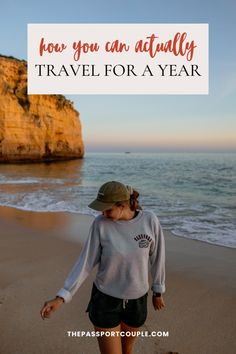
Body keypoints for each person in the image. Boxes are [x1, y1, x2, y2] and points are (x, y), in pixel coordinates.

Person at [40, 181, 165, 354]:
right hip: (105, 301)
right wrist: (62, 297)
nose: (103, 213)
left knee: (126, 350)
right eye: (101, 209)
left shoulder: (150, 220)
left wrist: (158, 290)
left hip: (138, 302)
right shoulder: (100, 224)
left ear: (122, 205)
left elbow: (158, 257)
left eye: (107, 209)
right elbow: (85, 263)